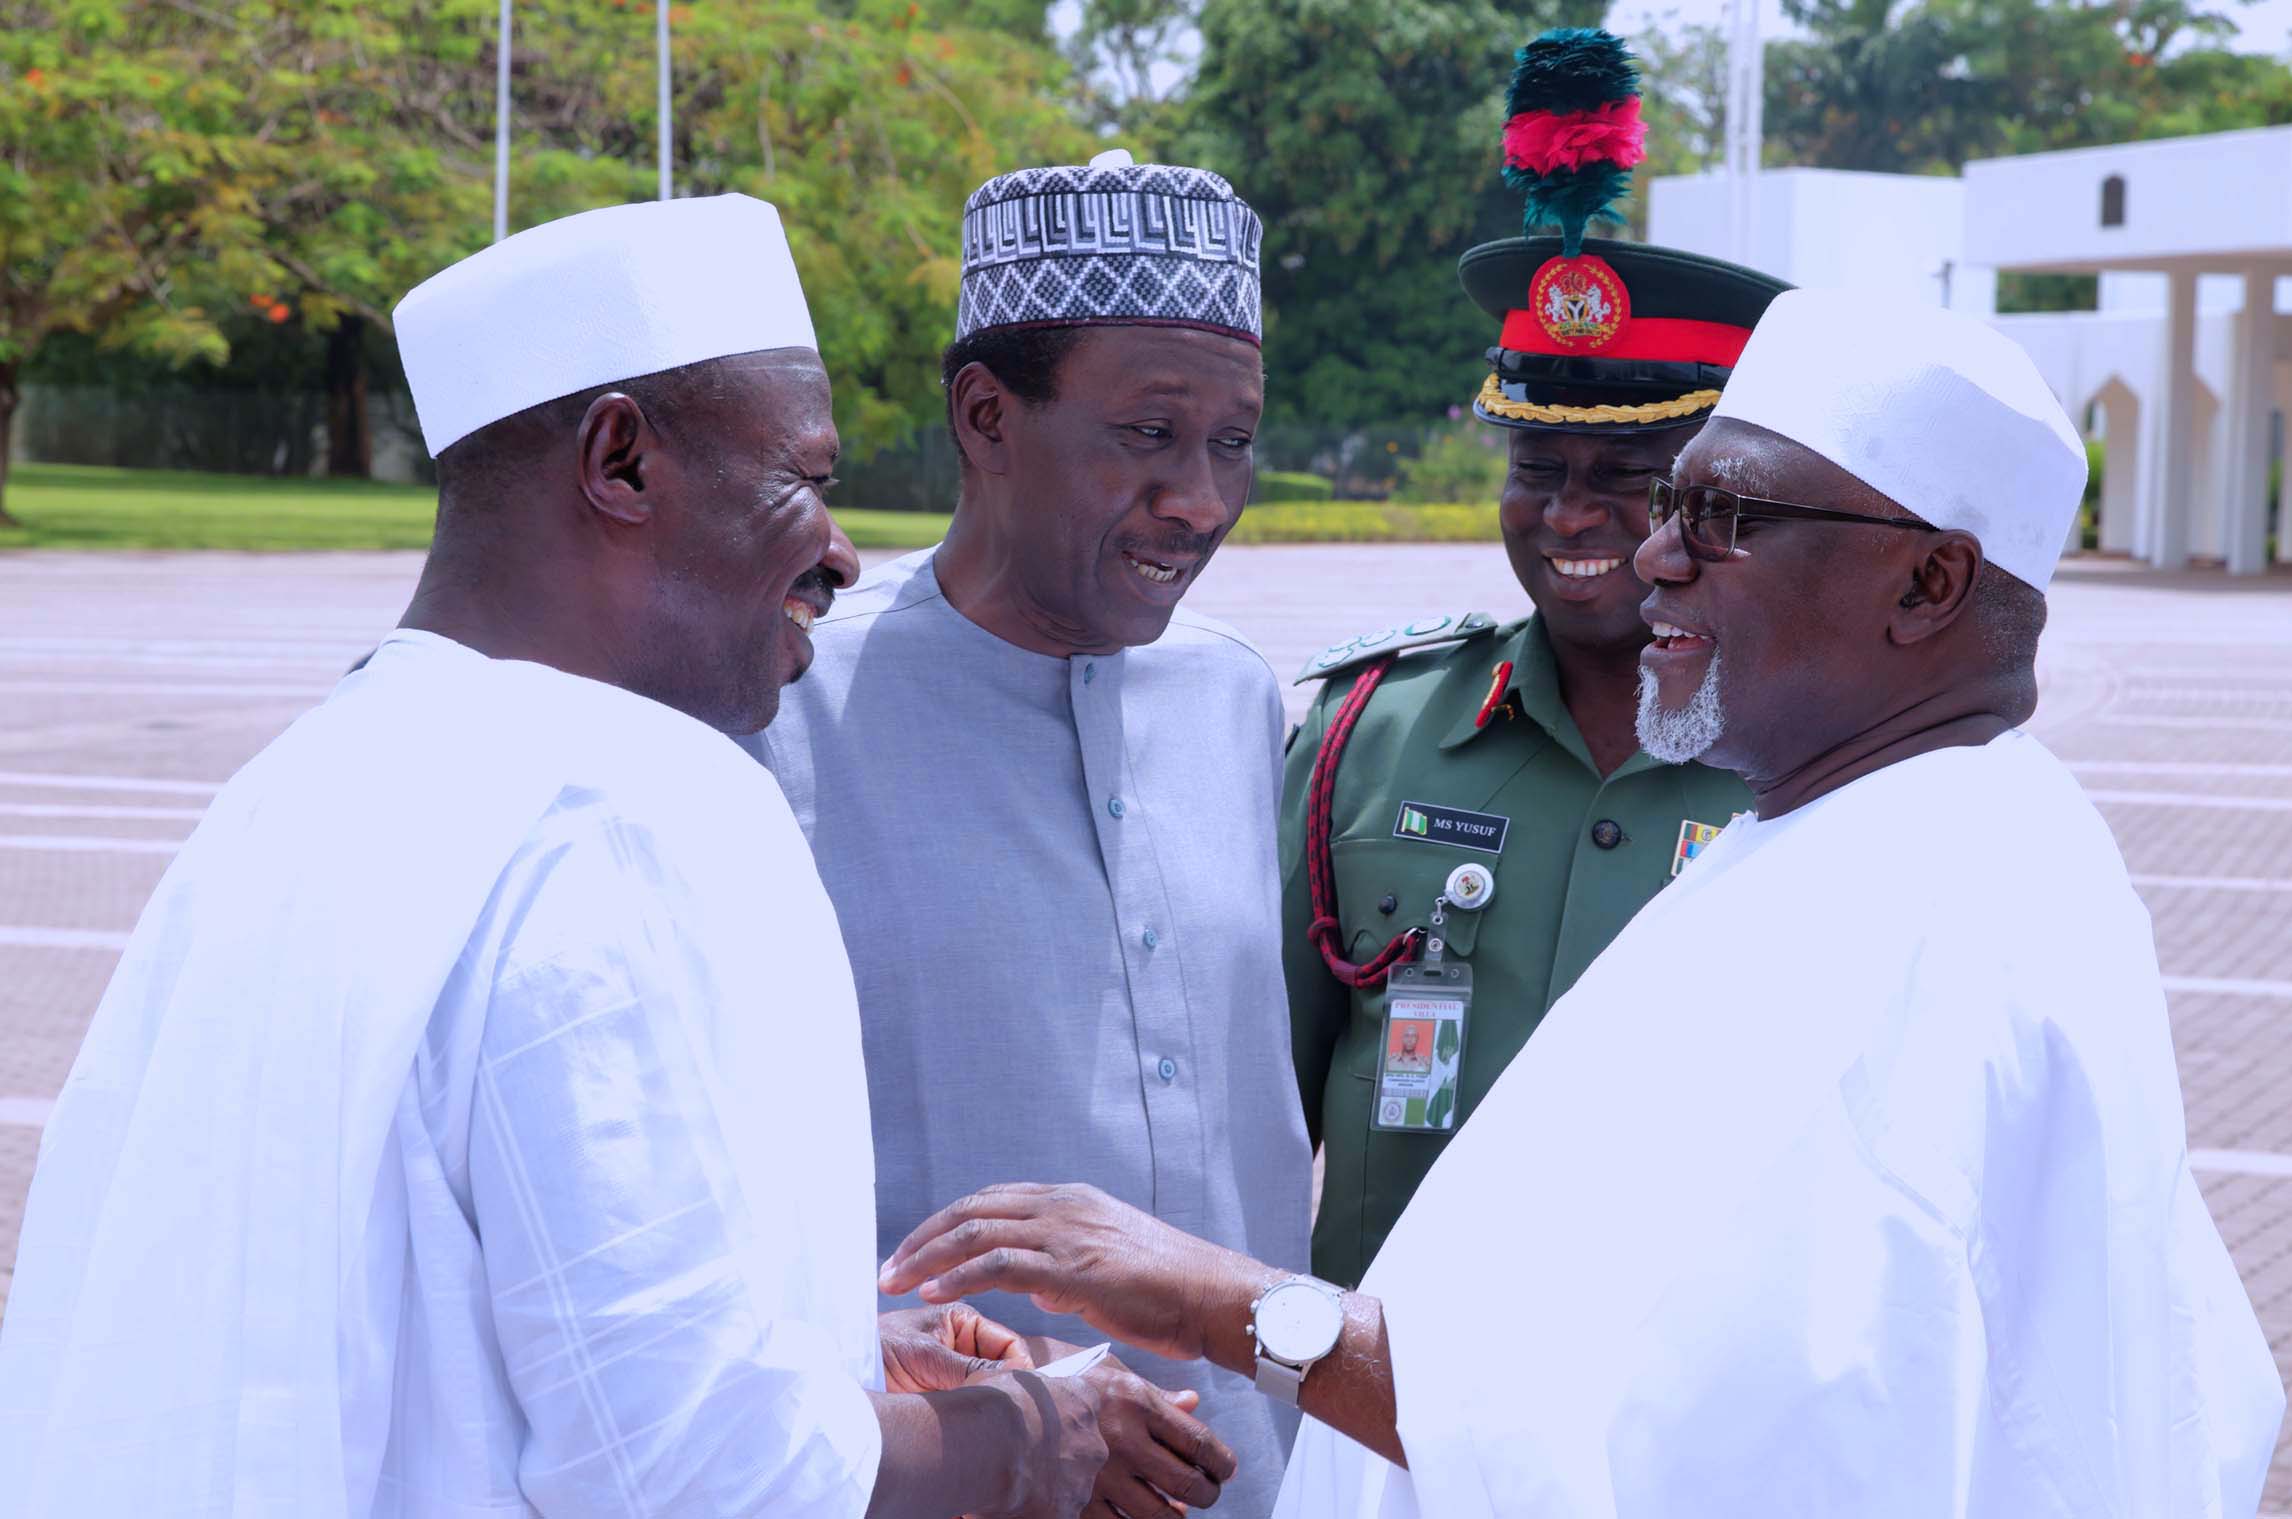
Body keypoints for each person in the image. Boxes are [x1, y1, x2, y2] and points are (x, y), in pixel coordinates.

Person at [873, 283, 2288, 1516]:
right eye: (1676, 504)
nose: (1658, 553)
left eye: (1724, 512)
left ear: (1927, 581)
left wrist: (1208, 1299)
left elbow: (1661, 1455)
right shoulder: (1864, 834)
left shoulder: (1937, 928)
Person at [0, 196, 1106, 1519]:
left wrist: (829, 1355)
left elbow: (414, 1305)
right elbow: (699, 1477)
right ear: (622, 461)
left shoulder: (291, 788)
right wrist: (1037, 1430)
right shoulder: (604, 819)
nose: (840, 551)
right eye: (803, 479)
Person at [747, 147, 1307, 1518]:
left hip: (1256, 1478)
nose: (1201, 498)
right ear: (987, 415)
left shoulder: (1238, 699)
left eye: (1232, 441)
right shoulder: (785, 704)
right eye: (1147, 433)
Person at [1284, 27, 1785, 1285]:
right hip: (1380, 1427)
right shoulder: (1366, 736)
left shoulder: (1806, 765)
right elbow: (1268, 1106)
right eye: (1534, 469)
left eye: (1630, 476)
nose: (1568, 514)